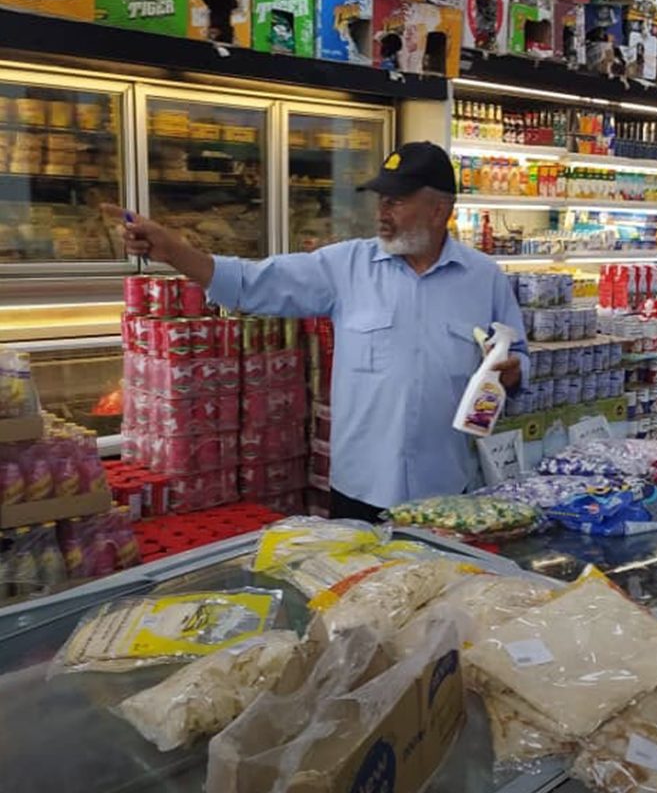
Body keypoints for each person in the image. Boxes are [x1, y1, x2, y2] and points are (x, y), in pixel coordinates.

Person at [104, 141, 528, 523]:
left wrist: (512, 372)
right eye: (380, 200)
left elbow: (518, 356)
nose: (381, 213)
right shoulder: (345, 267)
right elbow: (252, 283)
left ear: (439, 210)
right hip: (360, 489)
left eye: (396, 202)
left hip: (446, 489)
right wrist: (174, 251)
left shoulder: (484, 279)